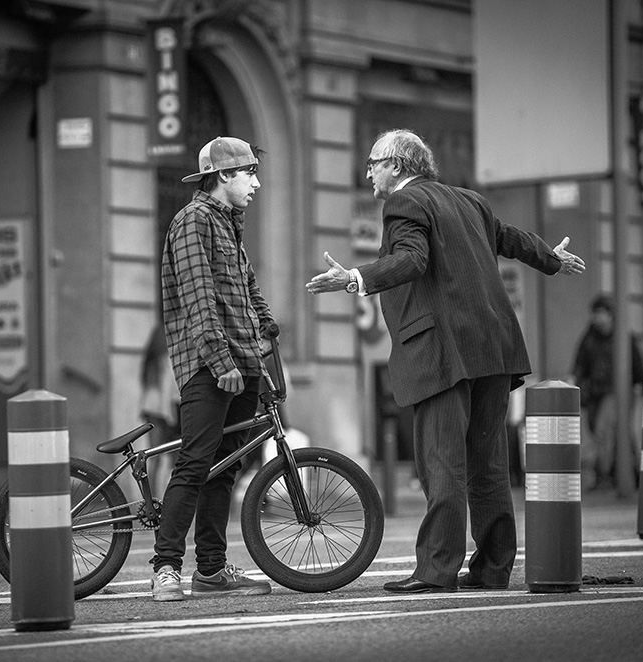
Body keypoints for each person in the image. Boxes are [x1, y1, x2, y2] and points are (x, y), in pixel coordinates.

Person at [306, 129, 585, 593]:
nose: (369, 171)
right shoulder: (469, 200)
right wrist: (550, 260)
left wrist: (355, 277)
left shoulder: (403, 204)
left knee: (442, 463)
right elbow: (509, 238)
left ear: (397, 165)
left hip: (442, 351)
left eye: (374, 162)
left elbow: (412, 260)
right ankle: (493, 568)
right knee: (488, 464)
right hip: (494, 348)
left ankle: (436, 572)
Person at [150, 136, 276, 601]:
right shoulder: (193, 221)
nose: (257, 183)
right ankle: (165, 567)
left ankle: (210, 569)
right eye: (250, 173)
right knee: (195, 461)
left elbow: (244, 287)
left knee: (223, 468)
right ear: (224, 176)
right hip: (210, 364)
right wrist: (220, 362)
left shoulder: (229, 223)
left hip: (243, 360)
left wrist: (267, 323)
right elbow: (200, 297)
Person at [570, 294, 643, 494]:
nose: (598, 318)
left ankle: (605, 475)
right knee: (617, 433)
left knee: (604, 432)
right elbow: (580, 365)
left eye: (602, 313)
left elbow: (637, 363)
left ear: (611, 315)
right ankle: (630, 473)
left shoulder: (623, 336)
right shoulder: (589, 338)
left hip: (618, 391)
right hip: (596, 394)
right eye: (596, 314)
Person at [138, 324, 181, 493]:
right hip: (165, 411)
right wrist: (172, 417)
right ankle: (165, 497)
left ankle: (150, 498)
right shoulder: (167, 360)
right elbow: (167, 392)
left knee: (153, 456)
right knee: (172, 458)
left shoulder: (150, 364)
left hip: (151, 411)